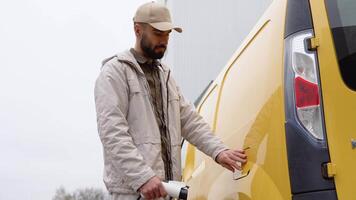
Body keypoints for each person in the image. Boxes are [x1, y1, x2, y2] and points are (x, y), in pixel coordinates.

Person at [94, 2, 247, 200]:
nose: (164, 40)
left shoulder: (166, 76)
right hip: (133, 193)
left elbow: (190, 121)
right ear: (138, 30)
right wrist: (143, 177)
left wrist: (219, 151)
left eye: (168, 34)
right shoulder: (114, 73)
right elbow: (112, 132)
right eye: (158, 33)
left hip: (168, 191)